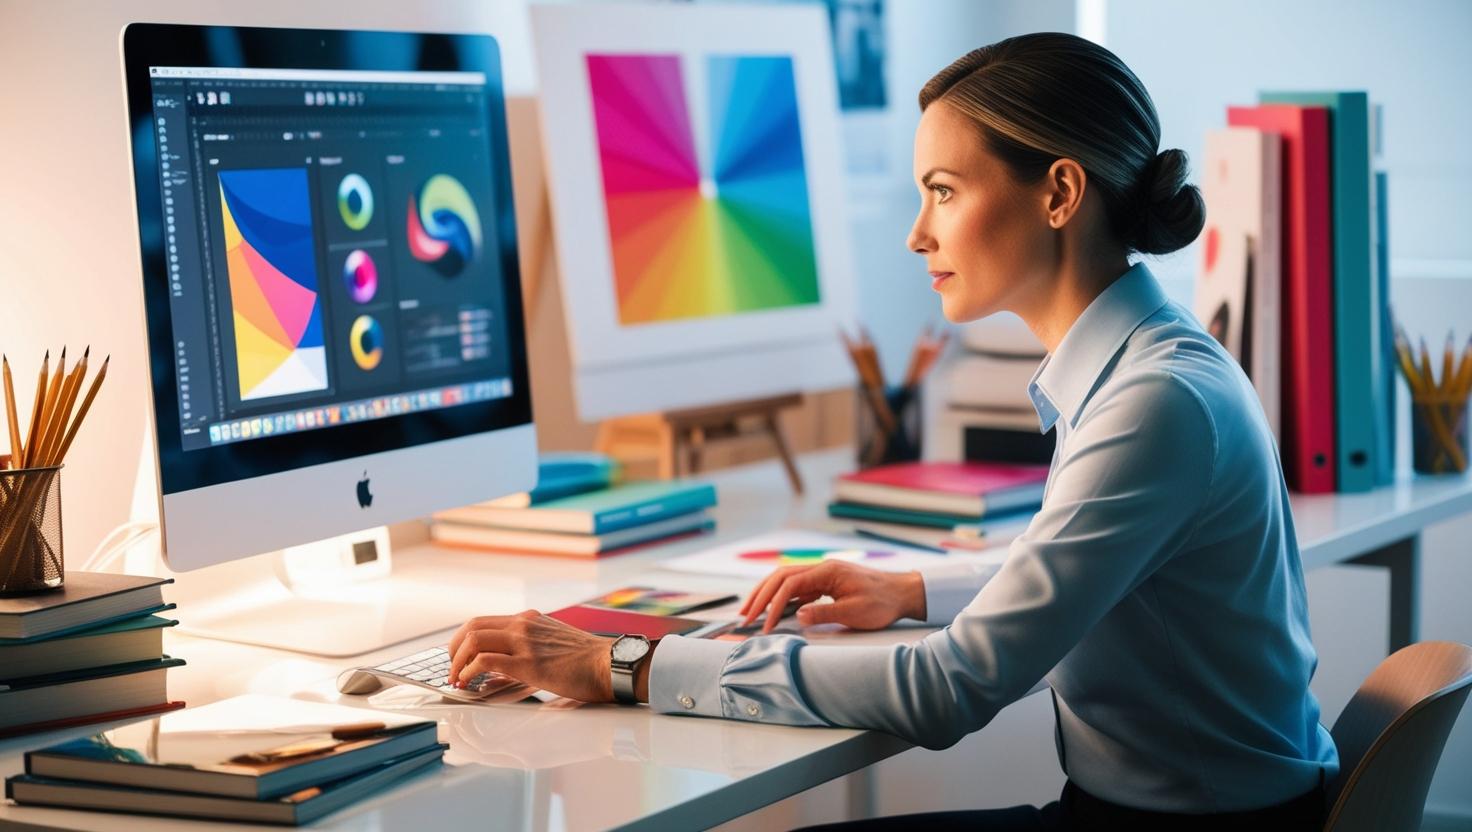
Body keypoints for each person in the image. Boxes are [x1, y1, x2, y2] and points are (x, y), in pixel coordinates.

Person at [445, 32, 1338, 830]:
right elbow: (1083, 577)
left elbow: (950, 688)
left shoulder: (1153, 403)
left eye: (944, 192)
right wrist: (911, 589)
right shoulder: (1151, 361)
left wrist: (630, 663)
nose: (917, 234)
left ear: (1060, 191)